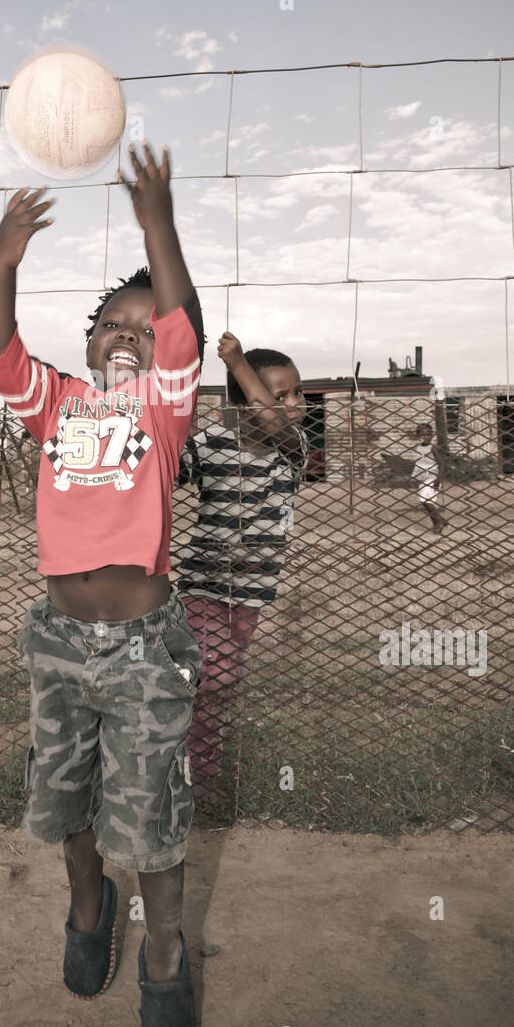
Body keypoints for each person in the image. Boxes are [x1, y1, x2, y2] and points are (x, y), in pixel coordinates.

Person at [0, 142, 205, 1027]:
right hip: (58, 645)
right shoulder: (59, 403)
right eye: (114, 323)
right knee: (63, 801)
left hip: (146, 652)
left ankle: (165, 954)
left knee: (149, 814)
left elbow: (182, 320)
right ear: (88, 342)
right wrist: (3, 260)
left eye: (144, 331)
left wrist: (157, 221)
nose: (130, 335)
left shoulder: (164, 407)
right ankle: (87, 907)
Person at [176, 333, 309, 783]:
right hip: (203, 585)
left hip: (253, 591)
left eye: (297, 392)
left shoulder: (292, 449)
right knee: (215, 675)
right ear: (243, 403)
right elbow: (167, 472)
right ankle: (194, 762)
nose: (295, 403)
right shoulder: (209, 443)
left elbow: (276, 427)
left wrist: (238, 366)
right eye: (279, 396)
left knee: (219, 682)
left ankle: (199, 756)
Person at [411, 422, 446, 533]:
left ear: (432, 435)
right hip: (423, 479)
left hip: (432, 478)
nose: (426, 437)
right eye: (423, 435)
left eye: (428, 435)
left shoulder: (432, 448)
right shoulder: (417, 448)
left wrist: (438, 480)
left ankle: (438, 523)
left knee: (426, 501)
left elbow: (442, 464)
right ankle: (441, 520)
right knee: (424, 502)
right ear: (418, 436)